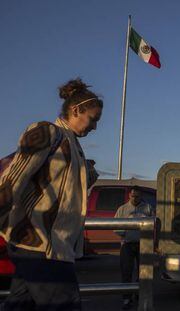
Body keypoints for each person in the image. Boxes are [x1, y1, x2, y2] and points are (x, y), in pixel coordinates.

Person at [0, 78, 103, 310]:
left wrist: (88, 174)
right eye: (93, 119)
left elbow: (63, 192)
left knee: (20, 305)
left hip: (47, 245)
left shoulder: (73, 145)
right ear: (76, 110)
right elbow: (12, 180)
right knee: (65, 305)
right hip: (40, 244)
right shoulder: (46, 131)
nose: (94, 127)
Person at [114, 186, 152, 310]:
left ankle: (140, 295)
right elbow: (116, 226)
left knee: (143, 272)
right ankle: (126, 298)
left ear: (141, 196)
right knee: (126, 271)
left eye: (138, 196)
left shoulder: (148, 208)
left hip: (143, 244)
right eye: (133, 196)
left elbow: (153, 225)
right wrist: (125, 233)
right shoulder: (122, 209)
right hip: (127, 244)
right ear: (129, 195)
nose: (135, 198)